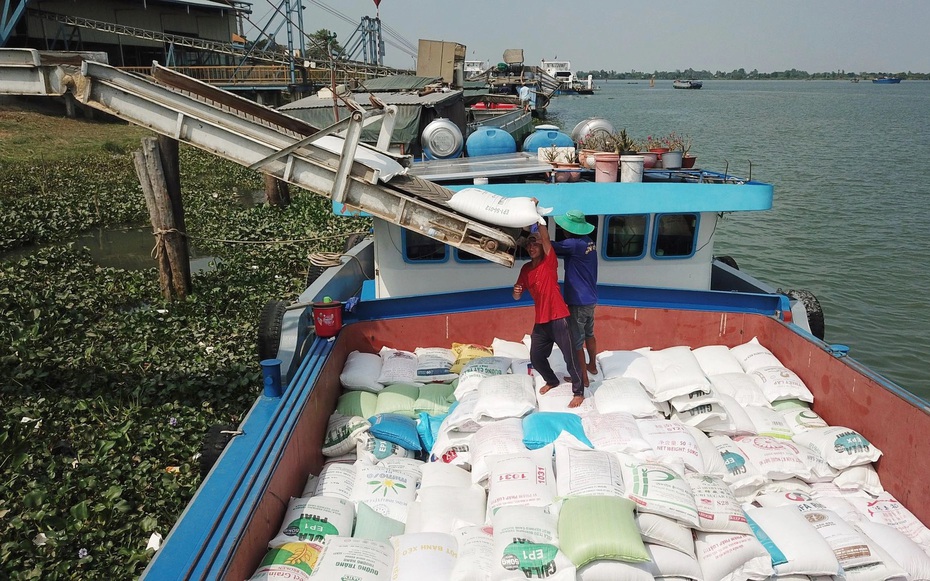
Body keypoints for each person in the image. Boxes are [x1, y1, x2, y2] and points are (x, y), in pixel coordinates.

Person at [513, 219, 585, 408]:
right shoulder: (526, 269)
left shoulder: (549, 261)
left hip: (559, 317)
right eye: (529, 245)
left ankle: (579, 392)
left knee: (570, 357)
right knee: (536, 357)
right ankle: (552, 380)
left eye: (535, 244)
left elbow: (545, 238)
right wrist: (517, 291)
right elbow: (516, 296)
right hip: (542, 321)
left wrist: (539, 220)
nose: (531, 247)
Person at [552, 210, 599, 387]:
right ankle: (592, 366)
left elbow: (549, 246)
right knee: (589, 334)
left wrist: (536, 228)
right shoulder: (589, 242)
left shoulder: (573, 244)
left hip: (578, 301)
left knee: (576, 341)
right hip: (591, 298)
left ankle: (582, 378)